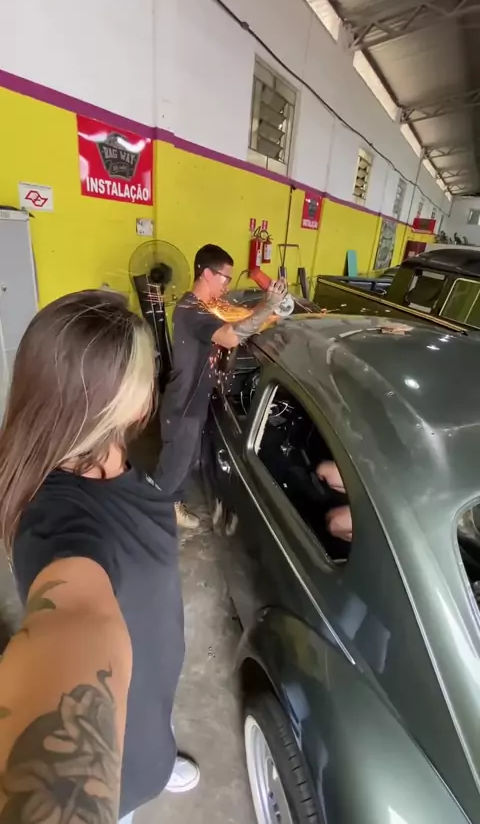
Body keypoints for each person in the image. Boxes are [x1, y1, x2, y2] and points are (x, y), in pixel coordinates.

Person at [0, 290, 199, 824]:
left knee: (154, 721)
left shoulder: (110, 455)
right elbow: (74, 623)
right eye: (147, 373)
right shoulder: (56, 518)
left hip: (151, 696)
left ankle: (161, 752)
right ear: (113, 401)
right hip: (118, 769)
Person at [158, 243, 287, 529]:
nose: (227, 285)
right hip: (184, 403)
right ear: (207, 274)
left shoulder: (205, 308)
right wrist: (268, 305)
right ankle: (157, 516)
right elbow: (230, 338)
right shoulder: (191, 310)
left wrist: (267, 312)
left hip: (194, 399)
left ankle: (172, 503)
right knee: (176, 463)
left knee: (186, 459)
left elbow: (238, 322)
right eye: (225, 278)